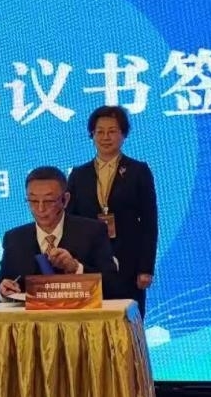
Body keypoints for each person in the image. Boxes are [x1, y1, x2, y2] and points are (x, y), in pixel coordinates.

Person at [67, 105, 159, 315]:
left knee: (127, 322)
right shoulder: (79, 175)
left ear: (123, 134)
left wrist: (146, 268)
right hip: (89, 264)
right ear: (92, 135)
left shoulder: (138, 171)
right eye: (99, 132)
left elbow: (149, 223)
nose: (105, 137)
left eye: (112, 131)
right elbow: (70, 221)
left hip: (128, 262)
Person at [0, 166, 118, 302]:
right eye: (33, 201)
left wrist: (76, 268)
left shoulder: (92, 232)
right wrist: (4, 292)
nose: (40, 209)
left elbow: (113, 287)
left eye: (49, 201)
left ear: (65, 200)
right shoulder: (15, 239)